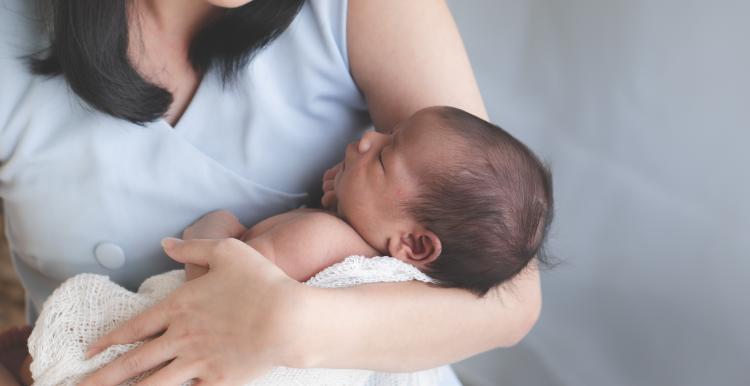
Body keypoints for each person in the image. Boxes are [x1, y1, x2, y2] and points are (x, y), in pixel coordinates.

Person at [0, 1, 543, 385]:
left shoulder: (368, 9)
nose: (364, 141)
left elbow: (511, 299)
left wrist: (287, 326)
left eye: (383, 153)